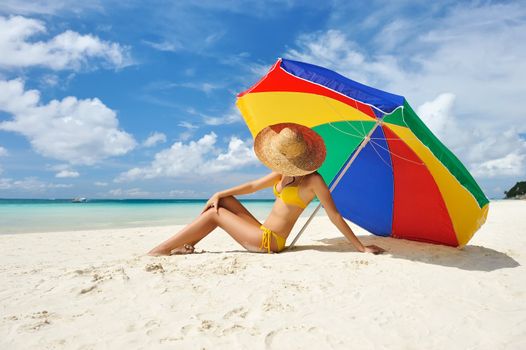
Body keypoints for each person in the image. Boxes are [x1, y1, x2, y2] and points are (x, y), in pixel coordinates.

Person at [148, 122, 385, 256]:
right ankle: (185, 245)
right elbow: (252, 186)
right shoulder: (284, 172)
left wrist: (360, 247)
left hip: (269, 242)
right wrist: (219, 192)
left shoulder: (315, 181)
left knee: (213, 214)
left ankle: (161, 250)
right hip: (261, 231)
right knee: (223, 201)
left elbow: (334, 215)